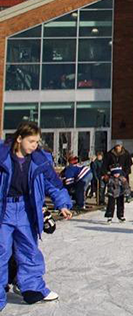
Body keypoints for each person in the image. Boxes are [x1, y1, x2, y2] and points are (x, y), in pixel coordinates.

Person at [0, 122, 73, 311]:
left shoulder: (39, 160)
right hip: (4, 209)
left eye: (37, 142)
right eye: (31, 141)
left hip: (26, 209)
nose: (34, 145)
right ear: (19, 139)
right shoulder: (2, 157)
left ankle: (32, 288)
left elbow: (53, 184)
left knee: (29, 249)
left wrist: (62, 204)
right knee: (1, 251)